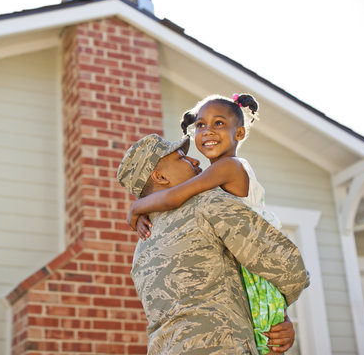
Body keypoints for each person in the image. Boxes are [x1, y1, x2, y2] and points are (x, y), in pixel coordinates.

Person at [116, 133, 309, 354]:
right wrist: (276, 317)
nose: (195, 160)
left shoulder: (141, 251)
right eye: (182, 158)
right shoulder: (206, 204)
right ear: (160, 176)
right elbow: (288, 267)